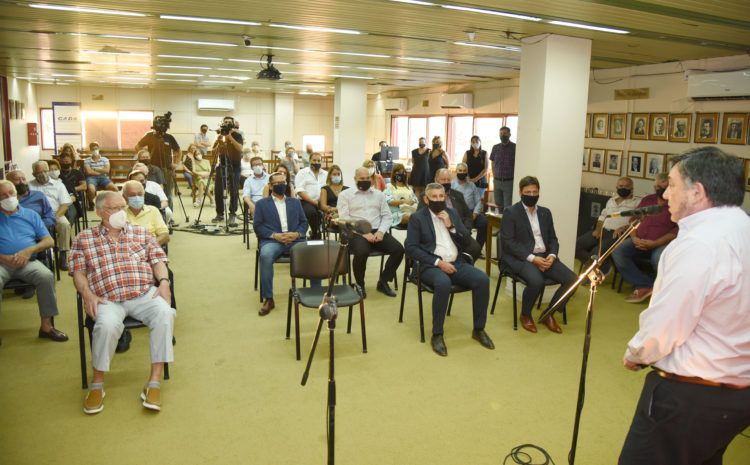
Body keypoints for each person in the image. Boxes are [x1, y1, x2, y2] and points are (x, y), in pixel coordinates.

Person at [619, 147, 750, 465]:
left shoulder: (697, 245)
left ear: (697, 192)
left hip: (690, 396)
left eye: (672, 185)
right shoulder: (742, 228)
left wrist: (636, 354)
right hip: (737, 395)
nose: (665, 195)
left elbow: (665, 327)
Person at [70, 191, 175, 414]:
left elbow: (158, 260)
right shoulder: (84, 238)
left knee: (166, 313)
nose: (121, 213)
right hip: (107, 298)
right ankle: (97, 383)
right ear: (100, 212)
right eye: (114, 209)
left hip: (143, 293)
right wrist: (87, 295)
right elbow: (78, 272)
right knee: (106, 326)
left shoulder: (140, 232)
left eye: (123, 208)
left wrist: (164, 282)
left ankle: (154, 381)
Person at [405, 182, 494, 356]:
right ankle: (437, 334)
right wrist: (438, 263)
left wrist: (451, 226)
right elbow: (412, 248)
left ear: (445, 197)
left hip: (456, 262)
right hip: (430, 265)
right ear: (426, 199)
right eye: (434, 197)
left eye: (441, 196)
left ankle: (478, 329)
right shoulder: (417, 218)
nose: (438, 200)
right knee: (443, 283)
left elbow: (466, 241)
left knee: (482, 280)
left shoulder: (452, 213)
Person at [500, 176, 577, 334]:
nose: (532, 195)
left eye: (535, 192)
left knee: (573, 280)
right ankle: (525, 315)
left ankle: (549, 313)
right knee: (537, 282)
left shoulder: (545, 213)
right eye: (528, 192)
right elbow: (508, 242)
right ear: (520, 192)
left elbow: (553, 239)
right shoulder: (511, 212)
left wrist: (552, 255)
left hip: (545, 256)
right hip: (522, 258)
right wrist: (533, 259)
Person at [0, 180, 68, 345]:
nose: (8, 197)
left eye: (11, 193)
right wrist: (4, 258)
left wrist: (29, 250)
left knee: (46, 276)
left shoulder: (30, 215)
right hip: (2, 262)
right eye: (3, 195)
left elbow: (49, 241)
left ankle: (46, 327)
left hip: (28, 261)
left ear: (17, 195)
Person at [337, 167, 404, 298]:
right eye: (362, 178)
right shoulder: (345, 195)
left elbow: (387, 216)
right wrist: (363, 233)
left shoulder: (379, 195)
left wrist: (381, 232)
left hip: (376, 230)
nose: (366, 180)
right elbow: (344, 220)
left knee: (399, 250)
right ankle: (360, 285)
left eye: (368, 178)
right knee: (362, 252)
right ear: (355, 179)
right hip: (356, 231)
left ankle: (383, 281)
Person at [612, 174, 677, 304]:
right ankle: (645, 285)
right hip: (638, 239)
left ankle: (662, 292)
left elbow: (676, 231)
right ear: (655, 187)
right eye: (658, 187)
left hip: (661, 243)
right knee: (618, 251)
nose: (661, 190)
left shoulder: (676, 204)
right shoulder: (648, 200)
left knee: (658, 259)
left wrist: (655, 243)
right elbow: (633, 220)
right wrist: (634, 238)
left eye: (665, 187)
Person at [253, 172, 312, 316]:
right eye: (278, 183)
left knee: (312, 253)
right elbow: (258, 226)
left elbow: (304, 223)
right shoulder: (261, 204)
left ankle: (315, 293)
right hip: (273, 240)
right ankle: (269, 298)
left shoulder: (295, 202)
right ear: (270, 186)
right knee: (265, 256)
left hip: (295, 240)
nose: (281, 185)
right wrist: (275, 235)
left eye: (283, 182)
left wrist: (296, 234)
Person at [574, 177, 640, 274]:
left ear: (632, 189)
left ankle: (589, 275)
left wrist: (624, 228)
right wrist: (598, 229)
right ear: (617, 188)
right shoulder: (611, 200)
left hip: (617, 234)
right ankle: (603, 267)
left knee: (596, 252)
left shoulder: (637, 202)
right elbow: (602, 217)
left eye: (627, 186)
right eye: (621, 186)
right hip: (602, 230)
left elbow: (638, 221)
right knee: (576, 246)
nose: (623, 188)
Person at [418, 169, 481, 261]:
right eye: (443, 180)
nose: (446, 182)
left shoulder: (458, 195)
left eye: (448, 180)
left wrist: (465, 231)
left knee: (475, 248)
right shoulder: (426, 196)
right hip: (437, 232)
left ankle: (461, 265)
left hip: (456, 231)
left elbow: (468, 215)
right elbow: (420, 217)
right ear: (436, 180)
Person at [28, 161, 73, 270]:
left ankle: (63, 255)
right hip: (35, 217)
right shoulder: (29, 186)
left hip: (55, 214)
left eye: (45, 171)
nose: (43, 174)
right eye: (39, 172)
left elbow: (64, 204)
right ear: (34, 174)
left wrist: (55, 217)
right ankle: (38, 256)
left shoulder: (58, 185)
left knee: (64, 224)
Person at [135, 118, 181, 211]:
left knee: (168, 193)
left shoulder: (169, 137)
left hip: (167, 169)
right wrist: (144, 155)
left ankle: (168, 214)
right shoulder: (149, 136)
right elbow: (137, 146)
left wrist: (176, 163)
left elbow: (178, 151)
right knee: (152, 192)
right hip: (152, 169)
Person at [210, 116, 244, 225]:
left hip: (235, 166)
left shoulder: (237, 135)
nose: (228, 123)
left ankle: (232, 214)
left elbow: (239, 148)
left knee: (234, 190)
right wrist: (219, 142)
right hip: (222, 165)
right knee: (218, 190)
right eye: (226, 122)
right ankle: (219, 214)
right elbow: (212, 152)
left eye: (230, 122)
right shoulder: (219, 136)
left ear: (233, 124)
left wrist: (230, 138)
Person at [452, 163, 488, 253]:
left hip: (472, 213)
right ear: (456, 171)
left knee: (484, 222)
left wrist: (474, 214)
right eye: (460, 170)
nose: (462, 172)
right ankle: (461, 249)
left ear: (467, 172)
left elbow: (478, 202)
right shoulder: (452, 185)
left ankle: (478, 249)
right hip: (458, 213)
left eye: (464, 171)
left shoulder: (472, 185)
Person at [295, 152, 328, 240]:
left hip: (321, 200)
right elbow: (300, 190)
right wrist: (314, 202)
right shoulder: (302, 173)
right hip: (305, 201)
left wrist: (319, 201)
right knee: (312, 212)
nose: (316, 162)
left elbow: (328, 189)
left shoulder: (326, 174)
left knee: (322, 212)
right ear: (309, 161)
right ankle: (316, 232)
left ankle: (316, 232)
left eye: (318, 160)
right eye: (314, 160)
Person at [489, 126, 516, 210]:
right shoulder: (495, 147)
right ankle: (500, 218)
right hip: (497, 181)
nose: (502, 135)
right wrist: (494, 176)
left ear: (509, 134)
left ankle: (507, 219)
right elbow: (493, 162)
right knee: (498, 205)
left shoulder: (515, 147)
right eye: (501, 134)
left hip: (509, 182)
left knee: (508, 206)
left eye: (504, 133)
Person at [58, 150, 86, 220]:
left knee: (69, 212)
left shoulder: (77, 173)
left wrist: (71, 189)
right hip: (59, 197)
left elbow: (84, 186)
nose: (65, 163)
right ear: (59, 162)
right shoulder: (57, 173)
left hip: (73, 198)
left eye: (67, 161)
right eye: (63, 162)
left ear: (71, 161)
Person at [462, 135, 489, 200]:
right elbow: (463, 166)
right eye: (473, 142)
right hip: (468, 181)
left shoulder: (484, 153)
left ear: (480, 142)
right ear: (471, 143)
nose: (475, 143)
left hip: (481, 182)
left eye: (477, 141)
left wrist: (476, 179)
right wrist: (468, 178)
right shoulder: (467, 153)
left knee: (476, 201)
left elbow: (486, 169)